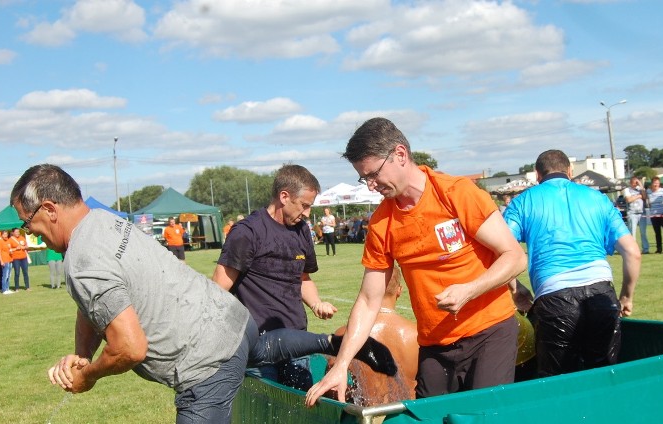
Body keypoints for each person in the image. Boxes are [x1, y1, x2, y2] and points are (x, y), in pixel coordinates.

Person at [10, 164, 397, 424]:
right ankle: (330, 341)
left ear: (51, 208)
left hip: (203, 363)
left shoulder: (82, 257)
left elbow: (129, 347)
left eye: (28, 223)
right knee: (258, 349)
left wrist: (87, 376)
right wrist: (81, 353)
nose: (29, 233)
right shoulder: (103, 223)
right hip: (236, 321)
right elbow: (91, 305)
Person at [305, 117, 526, 406]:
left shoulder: (455, 193)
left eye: (373, 174)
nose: (371, 186)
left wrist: (469, 290)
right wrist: (343, 363)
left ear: (400, 154)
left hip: (489, 331)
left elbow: (514, 256)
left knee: (483, 423)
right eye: (364, 178)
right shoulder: (382, 223)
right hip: (435, 343)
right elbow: (369, 300)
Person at [504, 149, 640, 377]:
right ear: (570, 171)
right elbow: (633, 253)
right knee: (603, 374)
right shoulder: (597, 198)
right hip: (602, 293)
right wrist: (626, 296)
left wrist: (516, 288)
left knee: (558, 380)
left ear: (537, 175)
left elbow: (498, 251)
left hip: (554, 295)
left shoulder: (522, 202)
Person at [212, 164, 338, 390]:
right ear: (284, 196)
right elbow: (218, 289)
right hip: (258, 346)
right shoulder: (247, 232)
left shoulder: (301, 230)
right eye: (304, 206)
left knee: (300, 413)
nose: (308, 213)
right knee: (266, 419)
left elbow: (303, 279)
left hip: (296, 341)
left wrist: (316, 303)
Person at [332, 265, 419, 405]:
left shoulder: (344, 334)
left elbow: (333, 391)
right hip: (406, 417)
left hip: (364, 416)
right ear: (399, 291)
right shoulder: (417, 335)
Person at [621, 176, 648, 254]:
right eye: (634, 183)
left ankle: (645, 249)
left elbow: (645, 196)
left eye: (637, 183)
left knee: (643, 232)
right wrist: (639, 196)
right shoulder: (627, 190)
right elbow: (629, 199)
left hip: (641, 213)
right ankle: (633, 250)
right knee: (632, 233)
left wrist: (641, 185)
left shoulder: (640, 189)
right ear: (630, 183)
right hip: (632, 213)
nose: (635, 185)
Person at [647, 177, 663, 254]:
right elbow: (648, 201)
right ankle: (659, 249)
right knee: (657, 233)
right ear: (652, 183)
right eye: (654, 182)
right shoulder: (649, 191)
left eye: (657, 182)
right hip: (654, 215)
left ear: (659, 183)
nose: (656, 184)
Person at [0, 230, 14, 294]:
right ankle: (4, 289)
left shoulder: (8, 241)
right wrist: (1, 261)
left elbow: (9, 249)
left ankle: (7, 288)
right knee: (5, 275)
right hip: (4, 260)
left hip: (10, 259)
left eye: (6, 234)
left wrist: (11, 251)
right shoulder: (0, 241)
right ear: (1, 235)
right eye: (4, 234)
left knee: (9, 275)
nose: (5, 235)